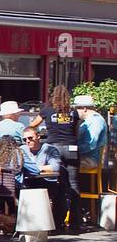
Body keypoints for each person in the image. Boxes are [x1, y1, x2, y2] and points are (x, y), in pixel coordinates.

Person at [39, 85, 81, 233]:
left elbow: (32, 125)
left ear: (53, 97)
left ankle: (57, 223)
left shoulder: (47, 111)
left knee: (59, 186)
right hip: (72, 148)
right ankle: (76, 224)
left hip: (54, 147)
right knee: (74, 185)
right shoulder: (73, 113)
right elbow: (76, 131)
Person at [20, 127, 65, 232]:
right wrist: (43, 168)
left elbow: (55, 167)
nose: (27, 141)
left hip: (46, 182)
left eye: (30, 138)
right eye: (24, 139)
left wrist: (37, 168)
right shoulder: (22, 149)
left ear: (38, 137)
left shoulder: (49, 149)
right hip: (28, 182)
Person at [75, 94, 108, 171]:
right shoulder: (89, 120)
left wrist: (73, 151)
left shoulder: (95, 121)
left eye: (76, 109)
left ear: (84, 109)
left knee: (64, 163)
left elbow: (91, 144)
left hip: (90, 160)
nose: (75, 112)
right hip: (85, 157)